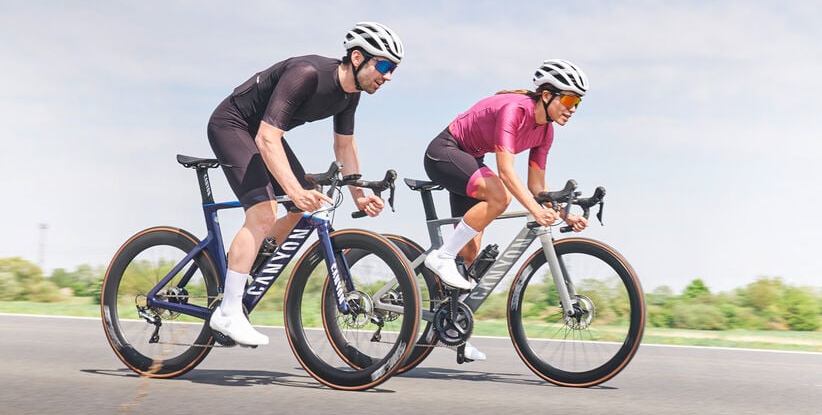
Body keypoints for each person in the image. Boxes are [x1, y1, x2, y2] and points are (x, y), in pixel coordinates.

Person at [206, 22, 404, 347]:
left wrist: (358, 196)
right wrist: (295, 191)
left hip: (261, 135)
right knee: (264, 211)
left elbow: (345, 148)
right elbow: (267, 139)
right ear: (357, 57)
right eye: (383, 65)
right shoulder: (307, 73)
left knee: (298, 209)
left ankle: (248, 264)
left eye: (393, 68)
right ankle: (228, 312)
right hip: (234, 125)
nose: (389, 75)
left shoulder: (349, 96)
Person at [421, 59, 592, 361]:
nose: (572, 108)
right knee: (500, 198)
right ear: (547, 95)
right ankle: (440, 257)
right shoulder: (516, 110)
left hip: (470, 160)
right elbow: (506, 171)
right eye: (568, 99)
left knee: (470, 253)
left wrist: (565, 215)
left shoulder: (546, 132)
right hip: (445, 152)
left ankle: (453, 332)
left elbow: (537, 187)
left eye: (577, 102)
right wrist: (535, 212)